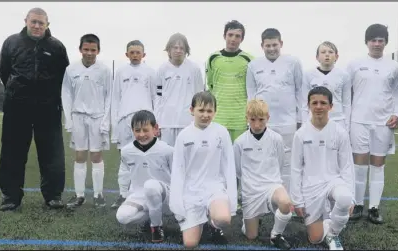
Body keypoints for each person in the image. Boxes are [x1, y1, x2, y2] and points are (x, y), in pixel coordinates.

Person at [0, 7, 69, 211]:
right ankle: (10, 197)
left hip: (48, 107)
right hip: (17, 106)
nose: (37, 26)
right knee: (12, 152)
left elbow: (63, 76)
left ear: (47, 24)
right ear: (26, 21)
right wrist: (18, 91)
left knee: (52, 153)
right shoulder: (11, 42)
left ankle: (53, 196)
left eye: (41, 23)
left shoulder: (56, 47)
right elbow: (4, 71)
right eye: (34, 22)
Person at [347, 24, 398, 224]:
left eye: (381, 40)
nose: (377, 44)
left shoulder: (394, 67)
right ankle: (357, 205)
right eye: (373, 40)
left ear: (386, 42)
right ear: (367, 42)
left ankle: (373, 208)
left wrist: (397, 113)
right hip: (359, 121)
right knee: (359, 165)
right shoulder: (354, 64)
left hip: (383, 123)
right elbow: (347, 94)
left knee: (378, 165)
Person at [169, 91, 237, 249]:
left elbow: (229, 166)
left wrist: (231, 200)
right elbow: (178, 171)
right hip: (191, 192)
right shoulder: (184, 136)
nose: (205, 115)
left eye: (209, 111)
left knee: (223, 219)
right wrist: (177, 204)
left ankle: (214, 225)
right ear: (192, 110)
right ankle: (200, 221)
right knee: (190, 243)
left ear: (215, 112)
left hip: (215, 188)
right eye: (201, 110)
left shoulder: (222, 133)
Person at [290, 86, 355, 250]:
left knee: (345, 198)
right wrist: (297, 200)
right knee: (316, 239)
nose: (319, 106)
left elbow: (347, 166)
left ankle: (333, 234)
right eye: (315, 103)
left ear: (331, 106)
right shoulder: (301, 134)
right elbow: (296, 169)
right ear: (308, 105)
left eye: (323, 103)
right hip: (311, 187)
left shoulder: (340, 132)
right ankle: (326, 222)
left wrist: (352, 197)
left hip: (334, 182)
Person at [246, 28, 303, 196]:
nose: (271, 49)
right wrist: (251, 120)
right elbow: (251, 94)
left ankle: (287, 200)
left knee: (287, 162)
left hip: (288, 121)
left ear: (281, 44)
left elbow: (300, 91)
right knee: (263, 161)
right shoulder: (254, 65)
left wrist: (301, 118)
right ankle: (264, 199)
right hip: (263, 123)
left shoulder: (293, 62)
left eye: (275, 45)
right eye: (268, 45)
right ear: (262, 46)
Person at [233, 99, 292, 250]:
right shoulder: (239, 142)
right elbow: (239, 170)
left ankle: (276, 235)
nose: (257, 124)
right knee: (251, 236)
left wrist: (273, 181)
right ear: (247, 118)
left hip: (272, 186)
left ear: (268, 118)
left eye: (261, 120)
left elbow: (280, 163)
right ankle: (251, 222)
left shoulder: (276, 139)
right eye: (252, 120)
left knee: (285, 202)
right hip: (251, 191)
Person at [61, 34, 111, 208]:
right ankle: (79, 194)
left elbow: (109, 97)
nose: (89, 53)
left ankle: (98, 195)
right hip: (78, 117)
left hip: (97, 117)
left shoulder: (104, 70)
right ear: (80, 49)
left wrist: (106, 120)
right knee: (80, 155)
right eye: (86, 49)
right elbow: (66, 94)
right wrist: (69, 118)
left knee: (96, 156)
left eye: (93, 50)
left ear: (98, 50)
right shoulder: (71, 69)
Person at [110, 40, 159, 209]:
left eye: (138, 52)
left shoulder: (151, 72)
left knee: (147, 158)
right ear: (127, 54)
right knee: (126, 158)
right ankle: (123, 194)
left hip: (145, 121)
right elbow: (115, 98)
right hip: (125, 120)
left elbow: (156, 98)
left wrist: (155, 122)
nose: (135, 55)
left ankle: (145, 193)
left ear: (144, 54)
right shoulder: (121, 72)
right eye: (132, 52)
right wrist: (115, 123)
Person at [115, 110, 174, 243]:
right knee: (123, 217)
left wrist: (180, 202)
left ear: (155, 129)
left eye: (145, 130)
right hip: (140, 196)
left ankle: (156, 227)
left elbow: (178, 175)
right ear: (132, 130)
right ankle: (152, 216)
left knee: (151, 186)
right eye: (137, 130)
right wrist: (124, 194)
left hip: (166, 197)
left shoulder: (167, 150)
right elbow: (123, 173)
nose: (141, 134)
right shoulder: (126, 151)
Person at [205, 20, 253, 142]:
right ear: (224, 36)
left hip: (240, 119)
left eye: (237, 36)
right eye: (230, 35)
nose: (233, 39)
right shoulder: (213, 58)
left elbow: (252, 89)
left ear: (242, 39)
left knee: (238, 157)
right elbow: (210, 86)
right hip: (219, 117)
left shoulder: (249, 60)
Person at [155, 33, 204, 147]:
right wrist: (157, 122)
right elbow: (158, 97)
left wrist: (198, 120)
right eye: (175, 47)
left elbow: (200, 96)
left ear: (186, 50)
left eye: (182, 48)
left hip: (188, 122)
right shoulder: (162, 69)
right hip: (167, 123)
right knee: (168, 157)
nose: (178, 50)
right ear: (169, 50)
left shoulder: (194, 69)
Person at [302, 41, 351, 132]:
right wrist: (305, 124)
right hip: (315, 121)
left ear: (336, 57)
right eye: (323, 52)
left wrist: (347, 127)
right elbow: (304, 104)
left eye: (331, 52)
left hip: (337, 120)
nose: (327, 55)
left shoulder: (344, 75)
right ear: (317, 57)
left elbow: (346, 104)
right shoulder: (308, 74)